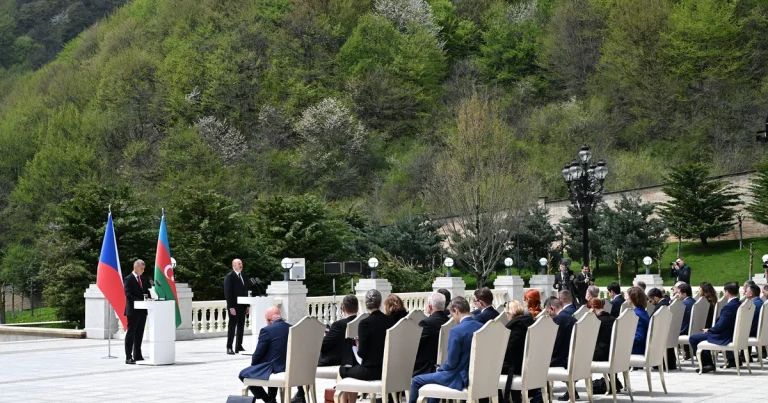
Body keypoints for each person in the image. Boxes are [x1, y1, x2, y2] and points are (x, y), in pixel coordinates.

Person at [408, 297, 483, 403]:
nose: (453, 318)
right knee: (436, 379)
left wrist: (441, 368)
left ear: (456, 311)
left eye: (452, 314)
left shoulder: (456, 331)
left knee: (416, 380)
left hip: (458, 377)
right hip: (477, 376)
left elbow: (452, 362)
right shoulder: (482, 327)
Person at [292, 295, 359, 403]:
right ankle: (300, 395)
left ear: (342, 308)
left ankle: (301, 394)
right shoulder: (362, 322)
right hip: (355, 360)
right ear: (357, 308)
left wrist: (318, 338)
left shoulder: (338, 325)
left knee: (305, 360)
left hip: (337, 361)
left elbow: (323, 345)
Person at [338, 290, 391, 403]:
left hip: (370, 371)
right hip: (388, 370)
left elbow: (362, 353)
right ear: (380, 303)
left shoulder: (365, 323)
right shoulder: (390, 321)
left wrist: (358, 345)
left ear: (366, 304)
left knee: (342, 370)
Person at [239, 307, 290, 403]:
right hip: (291, 369)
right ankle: (272, 397)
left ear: (268, 319)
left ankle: (268, 400)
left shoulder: (267, 330)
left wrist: (254, 366)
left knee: (242, 374)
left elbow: (258, 354)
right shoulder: (292, 328)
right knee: (272, 363)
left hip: (276, 369)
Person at [689, 282, 740, 373]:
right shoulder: (739, 303)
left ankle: (707, 364)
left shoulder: (729, 307)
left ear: (726, 292)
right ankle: (712, 363)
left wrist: (710, 330)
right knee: (701, 336)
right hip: (731, 333)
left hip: (724, 336)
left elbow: (720, 326)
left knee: (693, 338)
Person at [544, 296, 578, 401]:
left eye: (548, 311)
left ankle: (544, 395)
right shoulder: (573, 319)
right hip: (575, 357)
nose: (548, 314)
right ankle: (572, 391)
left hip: (563, 360)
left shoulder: (558, 320)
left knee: (538, 363)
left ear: (552, 308)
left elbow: (555, 344)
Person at [501, 300, 535, 403]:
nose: (506, 316)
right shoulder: (531, 324)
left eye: (506, 313)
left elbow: (509, 351)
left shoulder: (515, 328)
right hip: (531, 366)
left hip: (517, 368)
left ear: (510, 313)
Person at [588, 298, 621, 393]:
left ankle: (572, 390)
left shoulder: (597, 322)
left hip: (603, 354)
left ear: (592, 308)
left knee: (578, 357)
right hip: (615, 353)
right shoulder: (614, 319)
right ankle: (614, 381)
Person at [413, 292, 450, 375]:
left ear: (430, 306)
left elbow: (416, 344)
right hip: (445, 364)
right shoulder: (449, 321)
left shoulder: (426, 323)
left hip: (427, 367)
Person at [124, 259, 151, 365]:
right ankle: (128, 357)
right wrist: (140, 301)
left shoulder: (143, 279)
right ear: (136, 267)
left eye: (144, 268)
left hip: (142, 310)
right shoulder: (128, 279)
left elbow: (146, 291)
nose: (143, 270)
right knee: (131, 333)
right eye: (141, 268)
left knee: (139, 333)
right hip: (133, 310)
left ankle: (137, 355)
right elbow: (128, 294)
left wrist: (150, 298)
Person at [224, 258, 249, 355]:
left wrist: (247, 305)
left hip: (242, 306)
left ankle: (239, 346)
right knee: (232, 327)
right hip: (234, 307)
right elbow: (228, 293)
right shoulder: (229, 276)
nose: (241, 265)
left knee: (241, 327)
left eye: (241, 263)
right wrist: (231, 307)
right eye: (239, 264)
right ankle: (229, 347)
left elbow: (245, 292)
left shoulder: (244, 276)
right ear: (233, 265)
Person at [627, 287, 650, 355]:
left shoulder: (636, 314)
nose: (626, 298)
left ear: (632, 298)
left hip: (637, 350)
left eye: (627, 296)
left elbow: (639, 337)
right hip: (643, 347)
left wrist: (624, 341)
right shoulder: (643, 312)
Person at [677, 283, 695, 361]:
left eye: (679, 293)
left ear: (684, 294)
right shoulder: (695, 301)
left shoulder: (683, 304)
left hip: (685, 331)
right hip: (694, 330)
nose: (677, 295)